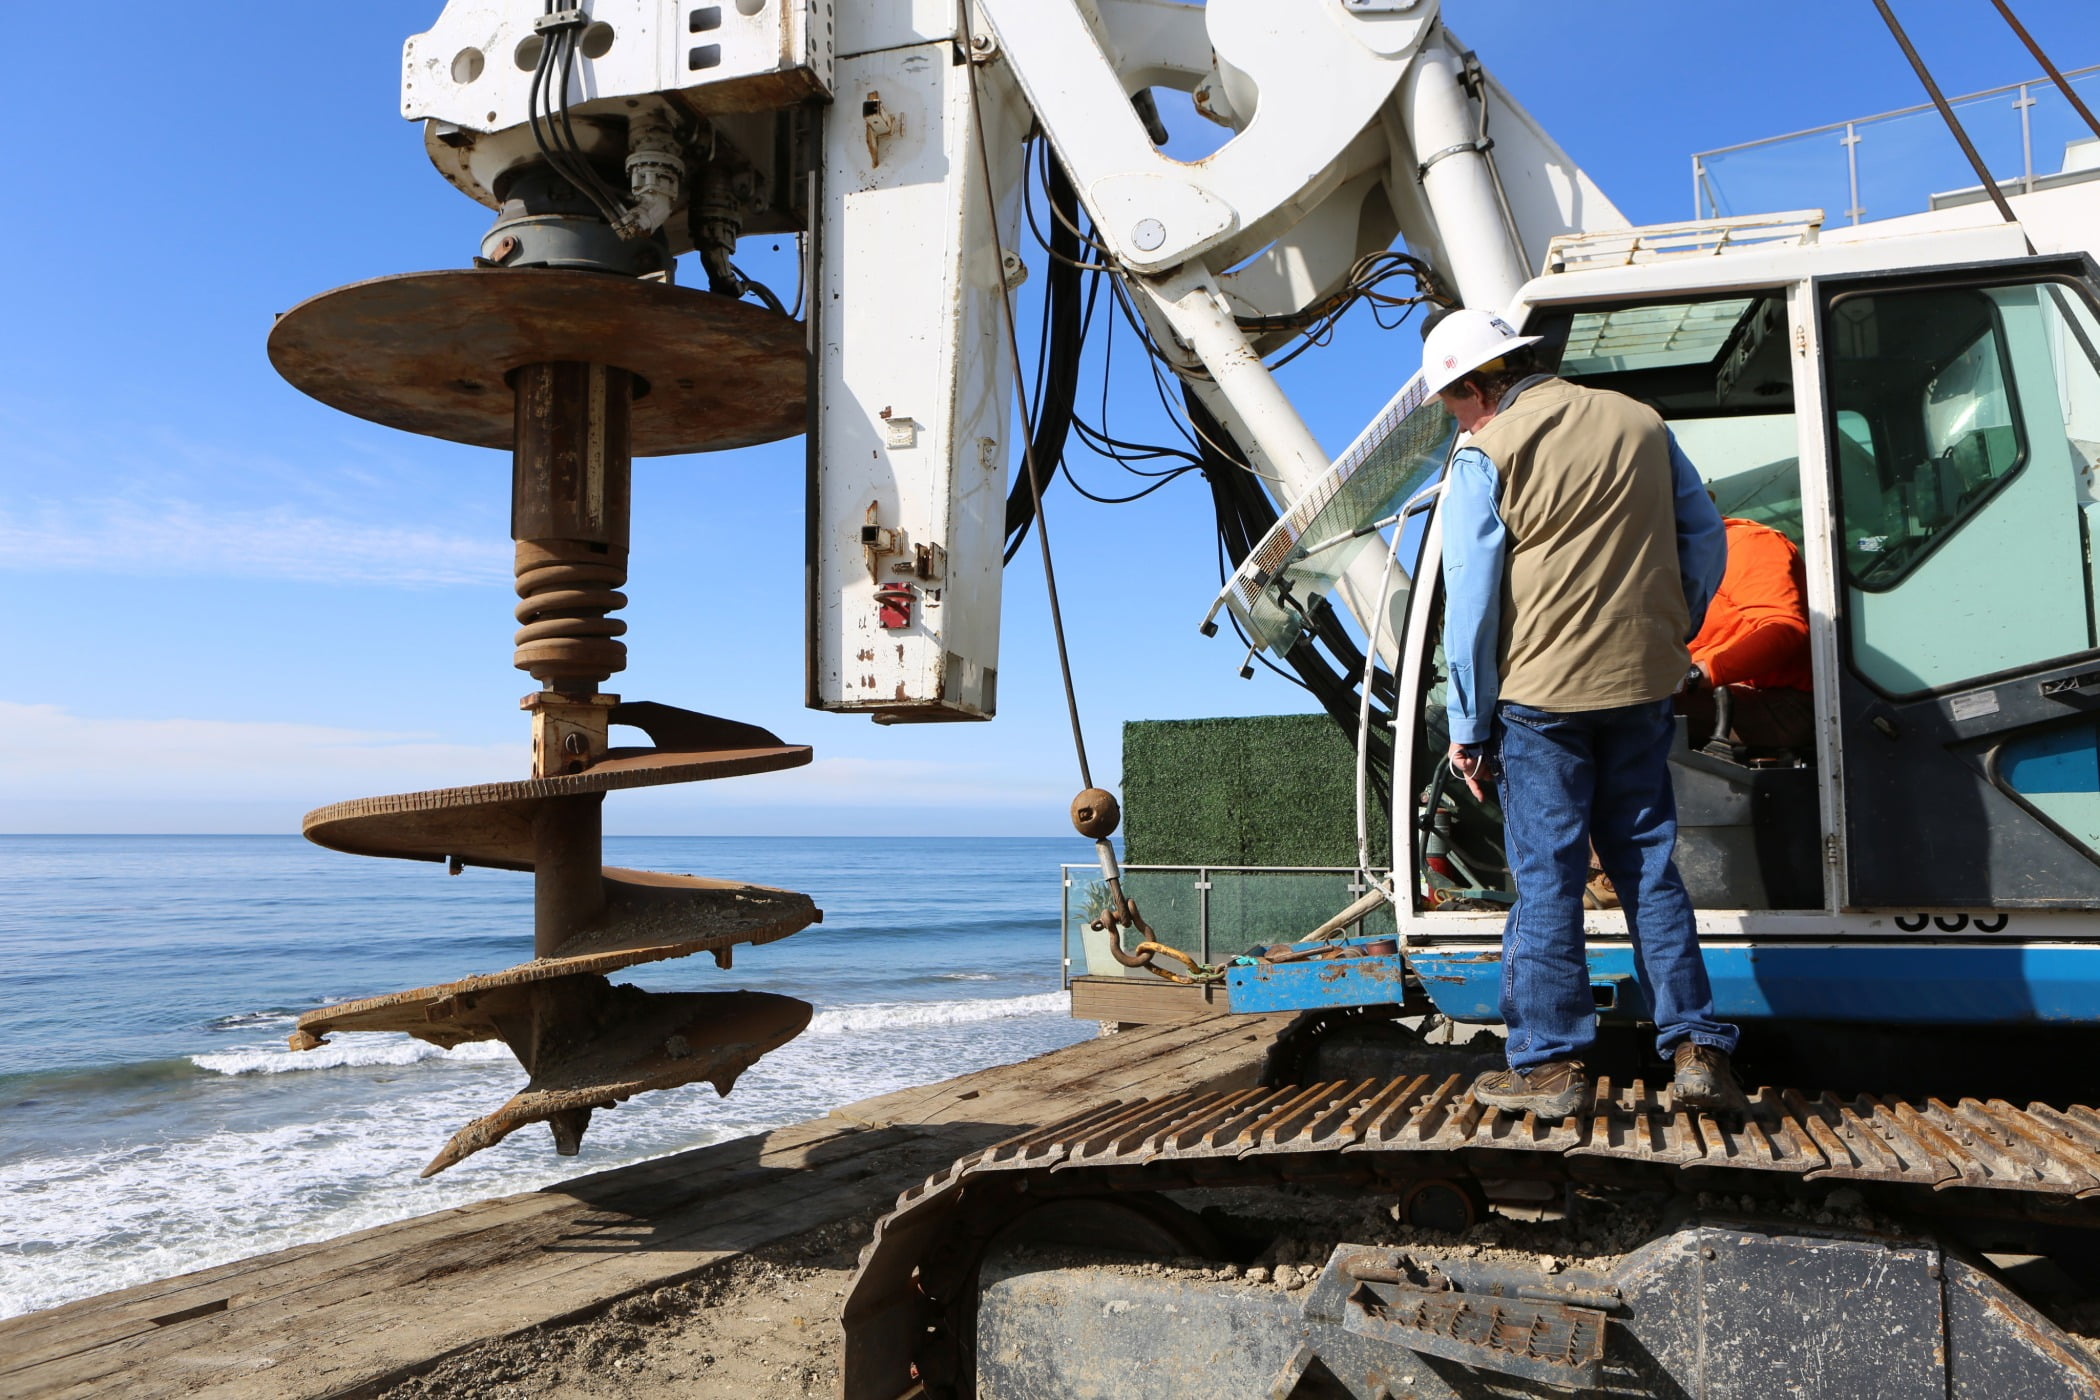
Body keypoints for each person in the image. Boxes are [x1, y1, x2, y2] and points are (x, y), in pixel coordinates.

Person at [1428, 308, 1740, 1117]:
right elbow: (1704, 539)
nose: (1453, 419)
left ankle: (1549, 1066)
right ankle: (1698, 1050)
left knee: (1548, 879)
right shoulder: (1641, 421)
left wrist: (1468, 724)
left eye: (1451, 403)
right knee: (1646, 866)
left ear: (1474, 386)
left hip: (1540, 700)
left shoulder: (1484, 450)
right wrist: (1673, 632)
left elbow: (1469, 603)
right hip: (1642, 687)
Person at [1680, 514, 1814, 753]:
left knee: (1631, 709)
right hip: (1714, 697)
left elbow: (1785, 630)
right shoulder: (1672, 566)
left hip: (1783, 704)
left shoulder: (1745, 543)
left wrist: (1695, 674)